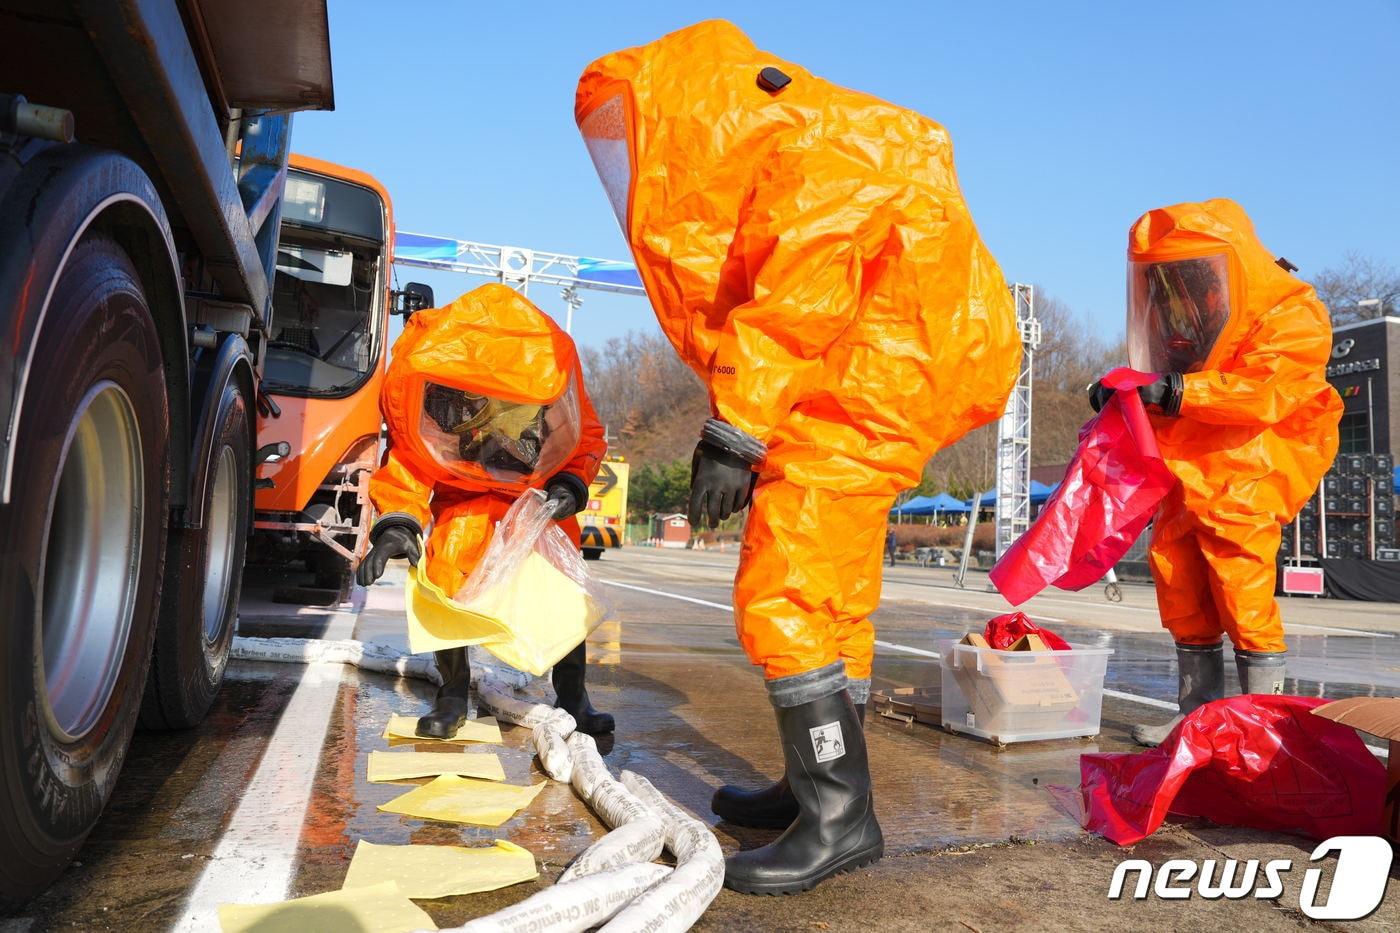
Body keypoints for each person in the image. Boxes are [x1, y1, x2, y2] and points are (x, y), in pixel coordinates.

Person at [576, 20, 1021, 894]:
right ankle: (815, 783)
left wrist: (735, 431)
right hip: (876, 378)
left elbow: (794, 301)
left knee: (781, 590)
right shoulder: (827, 133)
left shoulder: (820, 147)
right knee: (832, 597)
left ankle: (839, 816)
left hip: (869, 383)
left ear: (694, 117)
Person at [1089, 199, 1341, 746]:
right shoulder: (1183, 308)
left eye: (1182, 270)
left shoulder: (1288, 311)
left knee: (1241, 591)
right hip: (1181, 469)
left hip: (1247, 471)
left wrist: (1176, 390)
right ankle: (1197, 718)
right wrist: (1120, 392)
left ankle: (1258, 723)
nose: (1169, 284)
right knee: (1181, 590)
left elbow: (1267, 388)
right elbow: (1164, 375)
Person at [355, 284, 614, 738]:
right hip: (464, 503)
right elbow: (411, 464)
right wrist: (397, 523)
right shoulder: (439, 389)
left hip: (536, 504)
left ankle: (573, 696)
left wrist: (570, 484)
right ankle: (453, 693)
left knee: (560, 593)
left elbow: (581, 437)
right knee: (449, 574)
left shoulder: (548, 372)